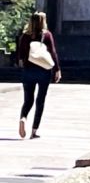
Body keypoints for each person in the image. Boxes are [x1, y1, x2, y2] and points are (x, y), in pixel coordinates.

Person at [16, 11, 61, 140]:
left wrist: (24, 64)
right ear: (43, 21)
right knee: (40, 101)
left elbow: (20, 56)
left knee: (28, 100)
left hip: (28, 71)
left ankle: (23, 118)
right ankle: (34, 131)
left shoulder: (25, 36)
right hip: (43, 72)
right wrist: (57, 69)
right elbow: (52, 53)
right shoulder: (47, 35)